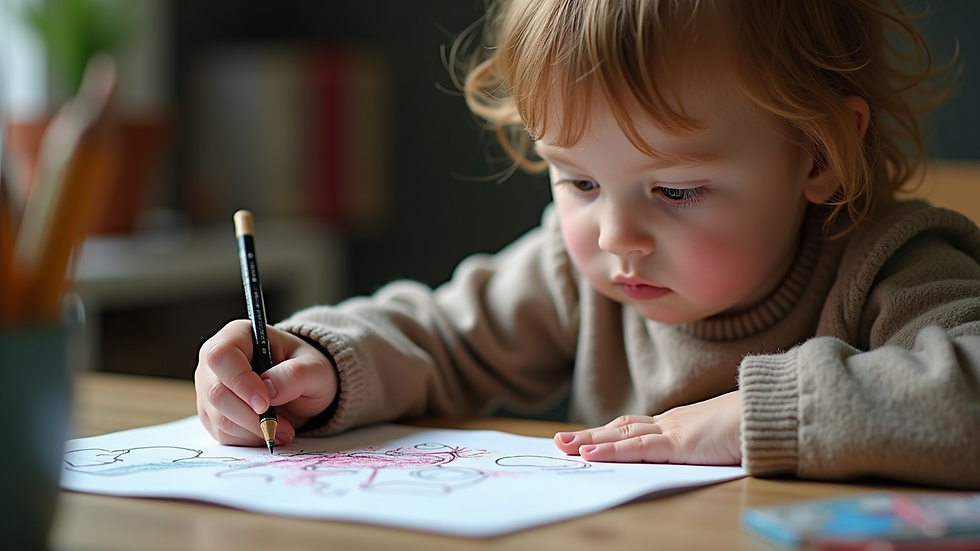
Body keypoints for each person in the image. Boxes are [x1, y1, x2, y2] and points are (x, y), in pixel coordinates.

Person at [195, 0, 980, 488]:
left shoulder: (891, 264)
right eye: (577, 181)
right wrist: (318, 365)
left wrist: (751, 418)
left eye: (674, 190)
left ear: (816, 154)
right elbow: (437, 335)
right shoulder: (573, 278)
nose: (614, 237)